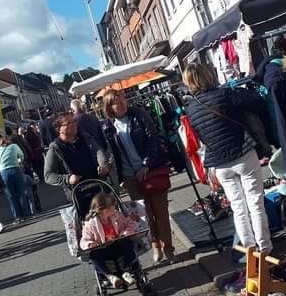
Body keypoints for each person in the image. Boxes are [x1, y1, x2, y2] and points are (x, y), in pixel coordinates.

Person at [182, 61, 273, 257]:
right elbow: (255, 100)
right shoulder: (224, 94)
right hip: (243, 153)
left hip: (220, 163)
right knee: (255, 202)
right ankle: (264, 247)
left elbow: (201, 137)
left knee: (238, 207)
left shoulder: (190, 109)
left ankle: (249, 249)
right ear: (208, 75)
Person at [100, 89, 176, 264]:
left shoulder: (139, 115)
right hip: (130, 177)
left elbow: (153, 139)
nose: (120, 105)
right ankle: (155, 245)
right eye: (115, 103)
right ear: (109, 107)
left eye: (122, 100)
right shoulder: (107, 127)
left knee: (161, 212)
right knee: (145, 215)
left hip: (151, 170)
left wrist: (146, 164)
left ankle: (168, 247)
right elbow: (111, 154)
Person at [43, 112, 111, 215]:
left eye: (74, 121)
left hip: (98, 187)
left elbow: (98, 151)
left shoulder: (86, 138)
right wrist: (67, 178)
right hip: (78, 195)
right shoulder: (55, 148)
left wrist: (103, 165)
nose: (74, 124)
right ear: (59, 129)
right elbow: (48, 176)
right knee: (90, 227)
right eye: (68, 123)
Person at [79, 193, 141, 289]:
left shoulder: (117, 215)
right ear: (104, 210)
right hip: (103, 249)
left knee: (128, 244)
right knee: (93, 255)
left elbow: (131, 224)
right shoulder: (90, 224)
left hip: (118, 245)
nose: (114, 208)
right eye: (112, 206)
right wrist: (91, 244)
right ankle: (110, 276)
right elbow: (84, 241)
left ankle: (126, 271)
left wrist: (125, 233)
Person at [0, 136, 31, 222]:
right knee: (21, 192)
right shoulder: (14, 146)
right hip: (16, 170)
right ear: (8, 141)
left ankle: (17, 217)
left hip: (4, 173)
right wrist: (18, 161)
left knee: (11, 196)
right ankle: (26, 214)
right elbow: (21, 156)